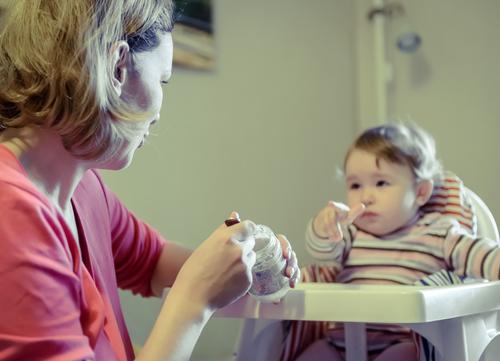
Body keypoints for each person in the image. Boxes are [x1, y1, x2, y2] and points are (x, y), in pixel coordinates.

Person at [0, 1, 299, 360]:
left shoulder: (83, 189)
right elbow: (187, 287)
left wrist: (246, 264)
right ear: (118, 66)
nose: (158, 114)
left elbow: (153, 261)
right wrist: (193, 302)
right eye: (162, 80)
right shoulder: (12, 216)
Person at [295, 123, 500, 361]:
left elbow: (478, 255)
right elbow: (322, 251)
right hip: (339, 344)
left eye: (381, 183)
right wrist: (325, 228)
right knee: (312, 354)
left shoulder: (439, 232)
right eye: (355, 185)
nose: (366, 196)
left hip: (402, 342)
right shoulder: (351, 233)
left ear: (421, 192)